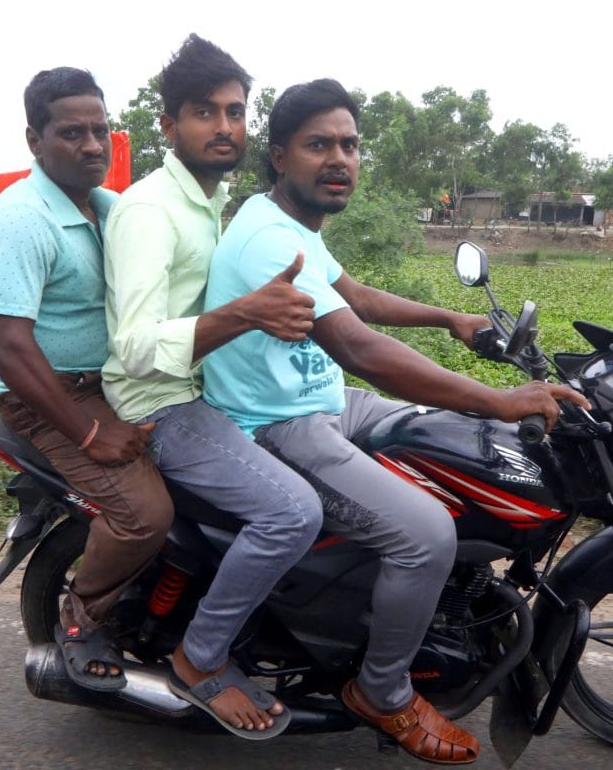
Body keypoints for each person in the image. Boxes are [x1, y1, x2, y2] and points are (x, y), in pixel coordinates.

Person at [202, 78, 589, 765]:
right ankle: (380, 692)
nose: (339, 158)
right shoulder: (267, 236)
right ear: (280, 155)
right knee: (426, 533)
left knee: (460, 445)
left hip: (321, 401)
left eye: (349, 144)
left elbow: (357, 298)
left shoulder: (291, 225)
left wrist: (448, 318)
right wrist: (501, 397)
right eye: (319, 144)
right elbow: (358, 348)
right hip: (276, 424)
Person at [102, 35, 323, 740]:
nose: (225, 127)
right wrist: (247, 313)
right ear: (168, 126)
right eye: (205, 112)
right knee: (293, 512)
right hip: (161, 404)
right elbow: (135, 350)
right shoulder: (149, 212)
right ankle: (199, 659)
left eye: (235, 111)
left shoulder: (212, 199)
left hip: (207, 385)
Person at [0, 67, 172, 693]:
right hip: (53, 396)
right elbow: (7, 343)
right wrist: (89, 432)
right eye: (71, 132)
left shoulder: (109, 207)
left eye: (100, 130)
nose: (92, 145)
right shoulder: (21, 220)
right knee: (145, 513)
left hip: (116, 378)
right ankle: (82, 621)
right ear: (34, 139)